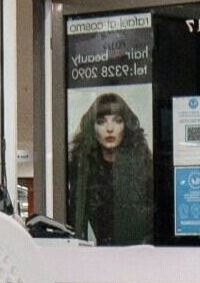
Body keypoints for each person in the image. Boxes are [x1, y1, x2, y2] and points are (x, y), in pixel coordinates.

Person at [61, 91, 157, 246]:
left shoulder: (142, 165)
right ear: (92, 127)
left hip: (142, 252)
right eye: (101, 122)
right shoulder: (84, 168)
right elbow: (76, 222)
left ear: (126, 126)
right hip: (102, 254)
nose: (110, 128)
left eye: (117, 121)